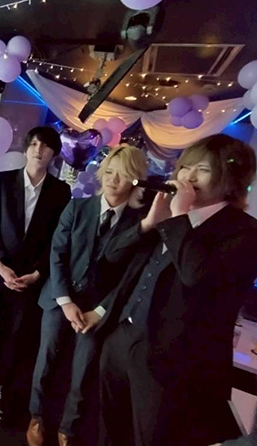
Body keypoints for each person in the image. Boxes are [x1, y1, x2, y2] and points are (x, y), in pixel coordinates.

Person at [83, 134, 257, 446]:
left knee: (151, 438)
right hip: (122, 339)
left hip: (175, 362)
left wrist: (179, 217)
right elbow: (111, 257)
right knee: (108, 430)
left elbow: (196, 276)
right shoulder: (166, 214)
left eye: (203, 170)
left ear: (230, 179)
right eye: (186, 167)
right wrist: (149, 223)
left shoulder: (245, 232)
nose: (188, 177)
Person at [27, 145, 147, 446]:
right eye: (109, 172)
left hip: (98, 307)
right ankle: (36, 416)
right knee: (46, 357)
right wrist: (66, 302)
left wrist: (101, 311)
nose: (113, 180)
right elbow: (57, 255)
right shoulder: (77, 207)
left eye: (122, 175)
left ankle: (68, 427)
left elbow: (130, 277)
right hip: (60, 297)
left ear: (135, 180)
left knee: (84, 368)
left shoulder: (140, 224)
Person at [0, 126, 71, 426]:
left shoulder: (61, 192)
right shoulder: (3, 180)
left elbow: (57, 238)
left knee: (17, 338)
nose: (38, 150)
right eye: (33, 144)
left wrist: (38, 273)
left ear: (53, 153)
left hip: (30, 280)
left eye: (45, 146)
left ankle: (4, 390)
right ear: (25, 149)